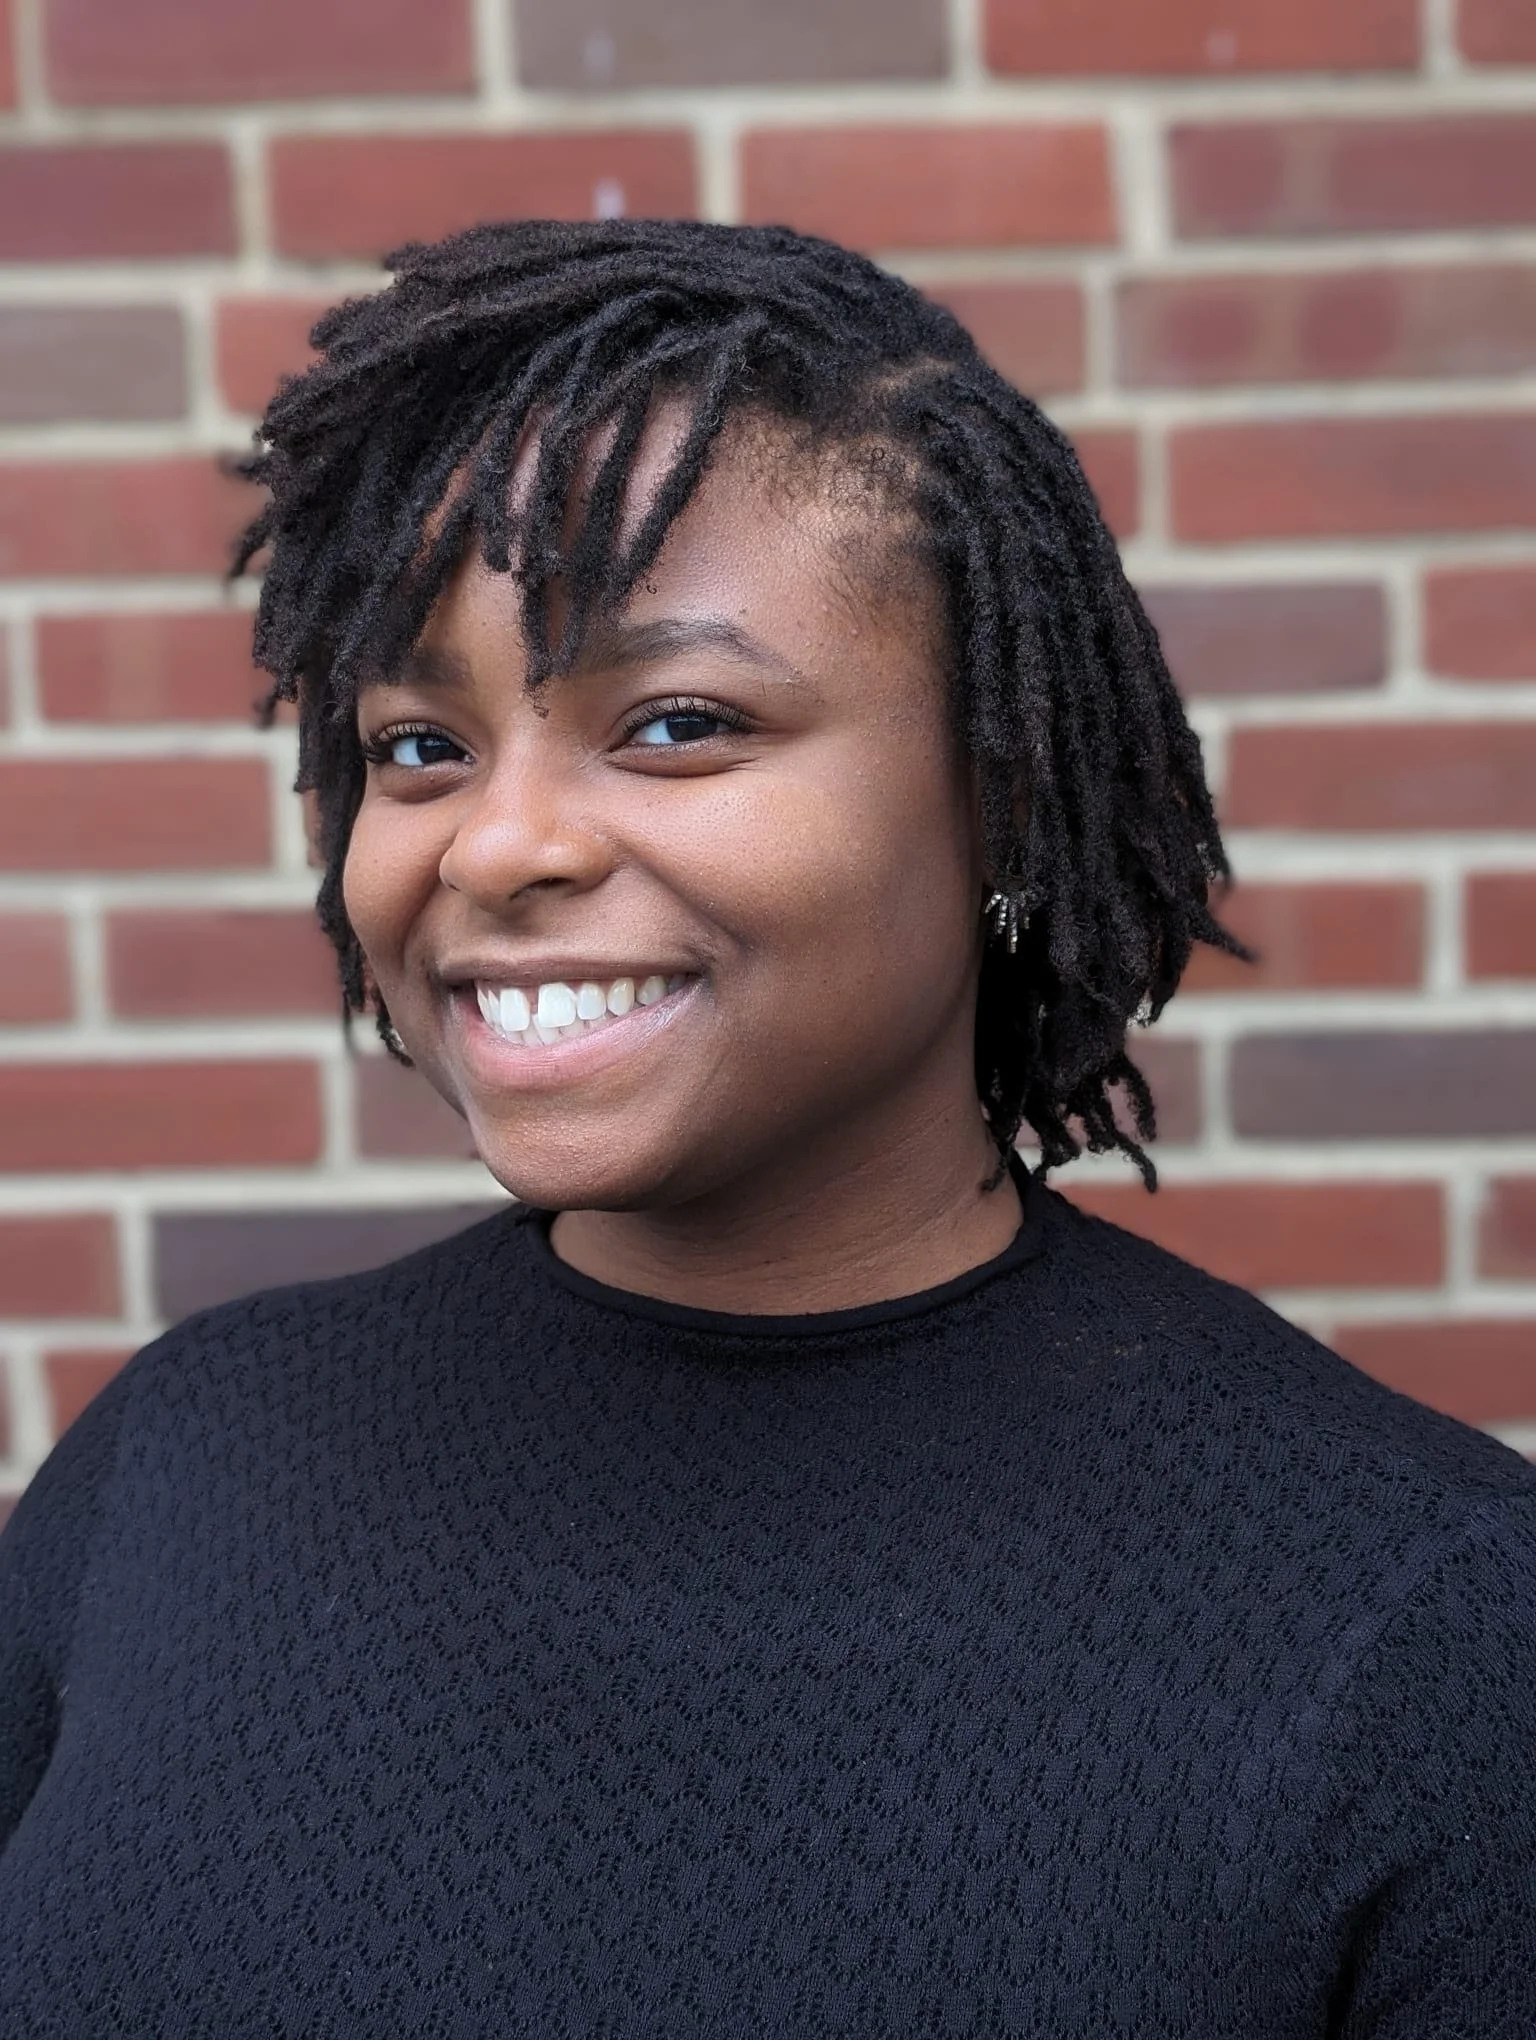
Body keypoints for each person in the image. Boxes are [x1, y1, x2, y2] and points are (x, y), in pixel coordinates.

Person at [0, 218, 1532, 2037]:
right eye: (421, 746)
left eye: (675, 723)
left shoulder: (1413, 1619)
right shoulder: (187, 1461)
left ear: (1002, 791)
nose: (498, 845)